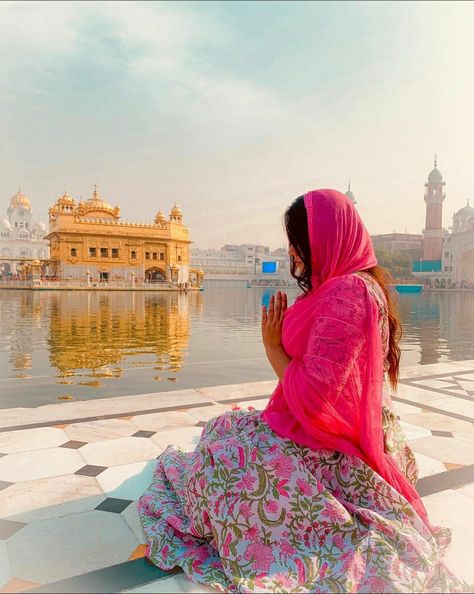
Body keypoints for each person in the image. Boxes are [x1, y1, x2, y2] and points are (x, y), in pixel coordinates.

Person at [138, 189, 466, 593]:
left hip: (333, 449)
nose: (293, 251)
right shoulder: (357, 286)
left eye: (299, 240)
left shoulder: (348, 294)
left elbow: (316, 399)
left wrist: (273, 347)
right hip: (354, 432)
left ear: (325, 238)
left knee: (217, 460)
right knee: (225, 429)